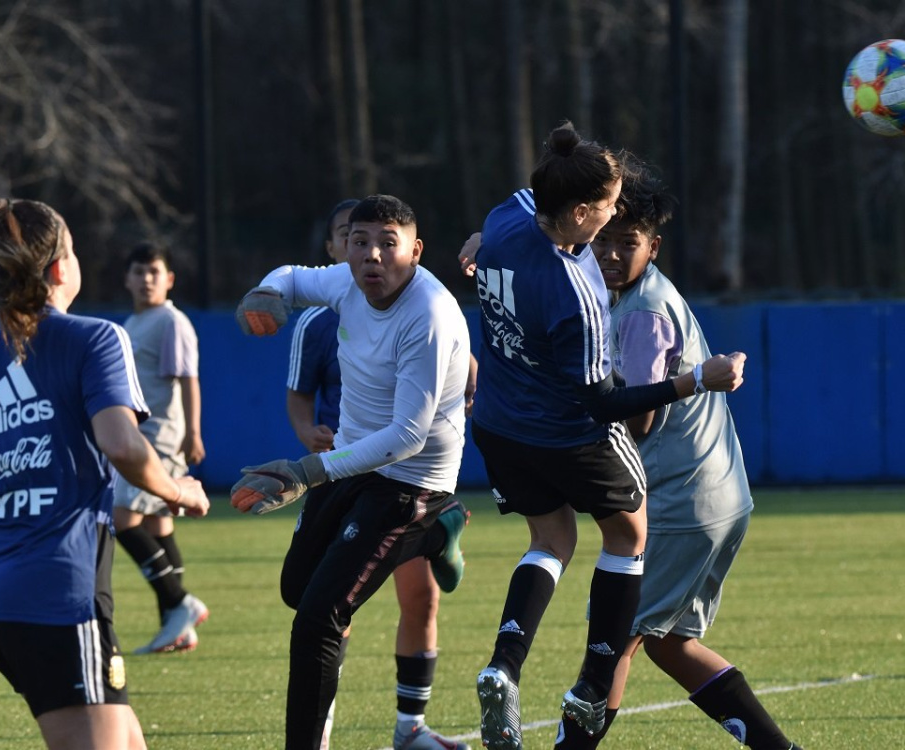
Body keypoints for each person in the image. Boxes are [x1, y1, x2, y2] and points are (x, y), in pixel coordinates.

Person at [460, 121, 746, 750]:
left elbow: (503, 221)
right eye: (610, 207)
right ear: (580, 213)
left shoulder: (509, 215)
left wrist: (480, 242)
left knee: (551, 539)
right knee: (628, 534)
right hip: (567, 433)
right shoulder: (578, 290)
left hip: (499, 426)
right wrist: (695, 379)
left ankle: (504, 664)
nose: (615, 216)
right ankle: (593, 684)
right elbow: (607, 404)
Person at [0, 198, 210, 750]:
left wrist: (5, 565)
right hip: (60, 600)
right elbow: (121, 444)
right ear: (61, 268)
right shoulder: (95, 338)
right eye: (74, 250)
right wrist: (179, 491)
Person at [549, 159, 801, 750]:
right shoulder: (628, 296)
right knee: (668, 642)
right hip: (714, 497)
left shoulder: (641, 312)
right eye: (603, 240)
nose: (611, 254)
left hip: (680, 502)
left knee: (614, 639)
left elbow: (637, 419)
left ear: (653, 248)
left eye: (627, 243)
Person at [232, 194, 471, 750]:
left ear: (416, 251)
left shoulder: (429, 314)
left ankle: (431, 522)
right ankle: (437, 533)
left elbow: (407, 438)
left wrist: (305, 471)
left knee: (319, 618)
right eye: (360, 242)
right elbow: (292, 278)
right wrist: (265, 291)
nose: (372, 256)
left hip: (411, 480)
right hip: (352, 460)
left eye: (389, 244)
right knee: (297, 590)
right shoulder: (346, 282)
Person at [113, 242, 209, 655]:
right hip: (143, 435)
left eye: (154, 272)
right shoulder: (134, 323)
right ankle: (176, 627)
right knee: (158, 525)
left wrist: (193, 433)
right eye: (139, 271)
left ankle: (179, 602)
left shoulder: (171, 321)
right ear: (127, 279)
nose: (146, 279)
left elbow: (187, 378)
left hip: (158, 437)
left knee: (120, 517)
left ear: (169, 279)